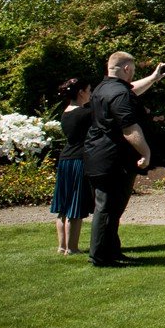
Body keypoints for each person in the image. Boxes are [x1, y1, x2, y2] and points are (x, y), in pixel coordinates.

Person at [83, 52, 165, 267]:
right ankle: (100, 257)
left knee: (111, 208)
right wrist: (146, 153)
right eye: (133, 71)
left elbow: (130, 90)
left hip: (97, 156)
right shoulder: (119, 94)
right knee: (107, 208)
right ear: (127, 69)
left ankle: (112, 251)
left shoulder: (103, 88)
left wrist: (153, 78)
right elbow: (129, 128)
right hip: (113, 159)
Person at [49, 78, 94, 255]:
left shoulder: (66, 112)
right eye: (89, 90)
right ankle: (73, 248)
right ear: (81, 92)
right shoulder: (85, 113)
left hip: (65, 159)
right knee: (75, 206)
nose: (91, 93)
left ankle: (62, 246)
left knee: (63, 207)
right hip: (78, 160)